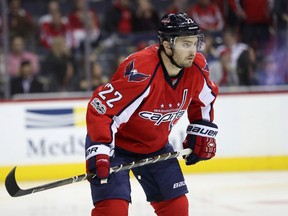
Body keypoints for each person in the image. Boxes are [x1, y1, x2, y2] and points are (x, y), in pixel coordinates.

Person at [85, 13, 219, 216]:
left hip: (155, 147)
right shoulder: (141, 71)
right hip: (116, 147)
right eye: (185, 44)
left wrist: (202, 129)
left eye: (194, 43)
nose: (192, 51)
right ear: (167, 45)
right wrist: (100, 150)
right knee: (113, 211)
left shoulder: (197, 67)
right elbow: (101, 108)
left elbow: (204, 100)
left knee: (177, 208)